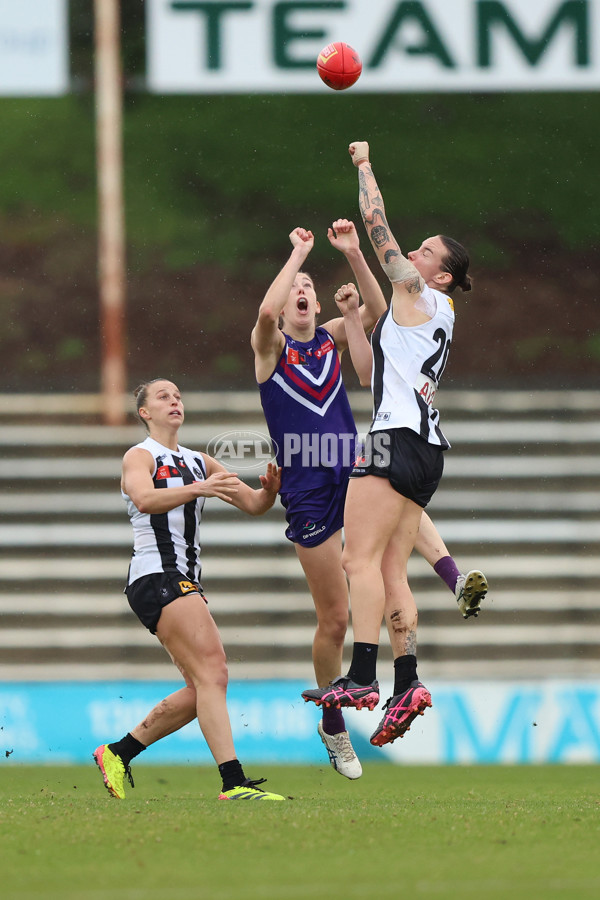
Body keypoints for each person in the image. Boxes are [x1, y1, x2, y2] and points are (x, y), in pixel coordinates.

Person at [253, 219, 486, 771]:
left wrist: (355, 312)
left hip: (355, 465)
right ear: (285, 305)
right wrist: (298, 257)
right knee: (334, 618)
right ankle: (335, 726)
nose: (302, 292)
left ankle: (448, 587)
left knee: (385, 563)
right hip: (307, 486)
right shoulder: (270, 348)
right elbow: (265, 315)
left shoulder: (333, 338)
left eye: (309, 286)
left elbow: (373, 359)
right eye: (295, 290)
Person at [302, 140, 478, 747]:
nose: (414, 254)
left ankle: (362, 676)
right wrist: (354, 294)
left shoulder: (418, 292)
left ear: (441, 275)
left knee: (357, 562)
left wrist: (364, 167)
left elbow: (382, 234)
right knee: (392, 570)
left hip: (393, 439)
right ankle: (408, 680)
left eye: (427, 252)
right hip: (426, 448)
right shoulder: (434, 311)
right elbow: (370, 369)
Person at [93, 378, 286, 801]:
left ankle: (117, 752)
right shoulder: (139, 456)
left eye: (179, 395)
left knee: (204, 684)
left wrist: (269, 491)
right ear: (144, 412)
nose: (174, 401)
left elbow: (252, 504)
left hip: (177, 578)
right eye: (163, 397)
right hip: (157, 574)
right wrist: (200, 489)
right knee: (214, 673)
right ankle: (233, 783)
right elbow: (144, 499)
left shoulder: (199, 460)